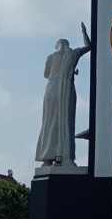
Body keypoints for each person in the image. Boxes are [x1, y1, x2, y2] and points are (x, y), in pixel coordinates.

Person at [35, 22, 91, 166]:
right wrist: (84, 33)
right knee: (66, 122)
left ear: (57, 46)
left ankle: (47, 159)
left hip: (52, 90)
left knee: (49, 123)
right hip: (67, 89)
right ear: (67, 45)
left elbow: (46, 74)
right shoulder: (73, 53)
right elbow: (89, 46)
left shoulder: (51, 57)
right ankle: (67, 159)